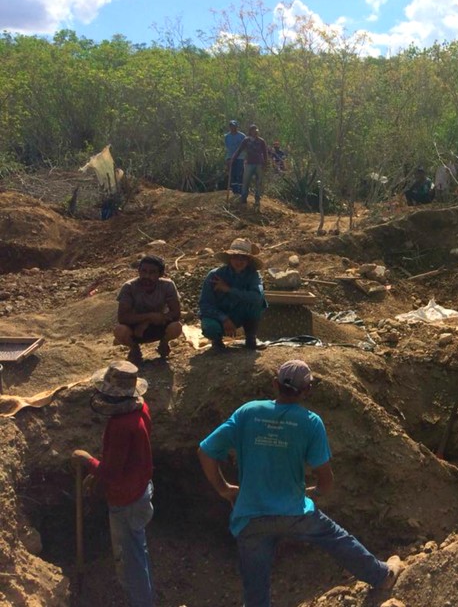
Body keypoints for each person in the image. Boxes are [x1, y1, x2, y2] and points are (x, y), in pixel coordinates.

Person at [197, 359, 404, 607]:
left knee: (255, 587)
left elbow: (206, 451)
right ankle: (382, 576)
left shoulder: (248, 412)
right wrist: (311, 492)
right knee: (336, 538)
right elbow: (326, 482)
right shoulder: (310, 422)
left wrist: (224, 489)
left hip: (251, 516)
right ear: (308, 389)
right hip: (295, 513)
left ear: (275, 384)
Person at [72, 361, 155, 607]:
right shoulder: (141, 409)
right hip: (141, 488)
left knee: (131, 559)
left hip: (126, 498)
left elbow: (112, 471)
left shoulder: (121, 426)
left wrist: (87, 461)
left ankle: (141, 602)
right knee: (137, 550)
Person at [198, 238, 267, 351]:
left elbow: (257, 298)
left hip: (240, 314)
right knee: (210, 327)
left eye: (243, 258)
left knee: (257, 302)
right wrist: (224, 319)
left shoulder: (253, 275)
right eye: (236, 257)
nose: (239, 262)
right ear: (230, 258)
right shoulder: (215, 275)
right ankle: (217, 341)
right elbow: (205, 305)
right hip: (219, 316)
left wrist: (229, 290)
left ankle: (251, 338)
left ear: (248, 260)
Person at [114, 255, 182, 364]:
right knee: (120, 331)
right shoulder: (129, 287)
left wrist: (152, 320)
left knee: (176, 327)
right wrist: (149, 317)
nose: (147, 276)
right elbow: (122, 317)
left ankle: (164, 344)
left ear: (160, 274)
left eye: (152, 272)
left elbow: (176, 313)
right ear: (139, 271)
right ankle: (134, 349)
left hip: (159, 323)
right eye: (144, 271)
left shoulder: (167, 285)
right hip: (136, 329)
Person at [230, 125, 268, 208]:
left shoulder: (261, 141)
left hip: (259, 164)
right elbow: (239, 150)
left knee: (259, 182)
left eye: (256, 131)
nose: (255, 132)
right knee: (246, 181)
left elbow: (265, 154)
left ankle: (257, 199)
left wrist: (265, 164)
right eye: (254, 131)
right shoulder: (246, 140)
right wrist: (233, 159)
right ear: (250, 131)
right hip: (249, 163)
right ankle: (244, 198)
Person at [224, 120, 246, 196]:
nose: (233, 127)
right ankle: (235, 191)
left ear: (237, 126)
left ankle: (240, 191)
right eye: (231, 126)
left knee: (239, 173)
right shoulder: (227, 136)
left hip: (240, 157)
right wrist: (228, 158)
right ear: (229, 127)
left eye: (234, 126)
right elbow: (228, 148)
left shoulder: (242, 136)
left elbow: (245, 147)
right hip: (231, 157)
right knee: (232, 174)